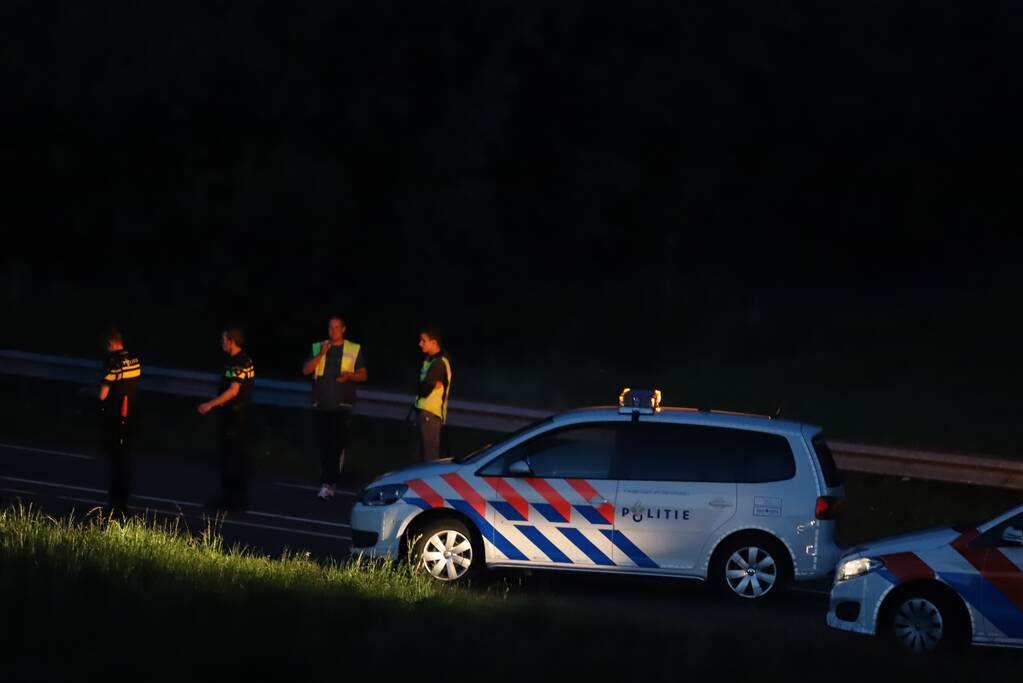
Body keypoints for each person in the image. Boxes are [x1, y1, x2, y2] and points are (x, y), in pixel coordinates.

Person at [302, 315, 367, 499]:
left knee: (337, 445)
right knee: (324, 445)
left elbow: (363, 375)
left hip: (342, 404)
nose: (333, 331)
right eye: (331, 327)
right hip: (321, 403)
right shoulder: (318, 346)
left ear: (343, 329)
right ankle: (327, 482)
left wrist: (349, 376)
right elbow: (306, 369)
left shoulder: (353, 349)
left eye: (337, 327)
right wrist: (321, 353)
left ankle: (329, 482)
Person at [198, 327, 255, 512]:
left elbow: (233, 391)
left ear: (231, 341)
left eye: (223, 339)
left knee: (234, 459)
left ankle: (236, 501)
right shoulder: (233, 361)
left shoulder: (240, 362)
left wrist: (210, 404)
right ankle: (227, 497)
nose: (221, 343)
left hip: (236, 417)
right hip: (230, 416)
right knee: (227, 458)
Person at [97, 327, 141, 514]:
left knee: (116, 462)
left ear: (110, 343)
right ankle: (123, 502)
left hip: (116, 416)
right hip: (131, 414)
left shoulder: (113, 362)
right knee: (124, 460)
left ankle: (116, 505)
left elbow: (103, 394)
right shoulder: (134, 359)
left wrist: (87, 392)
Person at [413, 326, 451, 462]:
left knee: (428, 458)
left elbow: (423, 389)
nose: (420, 344)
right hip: (424, 413)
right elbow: (420, 385)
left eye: (423, 341)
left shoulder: (439, 363)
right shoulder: (429, 361)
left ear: (434, 343)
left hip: (430, 414)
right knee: (421, 457)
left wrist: (421, 385)